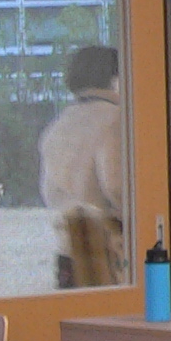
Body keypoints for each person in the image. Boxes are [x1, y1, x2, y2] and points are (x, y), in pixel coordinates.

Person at [39, 42, 128, 289]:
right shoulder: (116, 119)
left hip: (69, 251)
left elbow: (49, 192)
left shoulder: (58, 124)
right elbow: (116, 186)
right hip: (110, 253)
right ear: (115, 79)